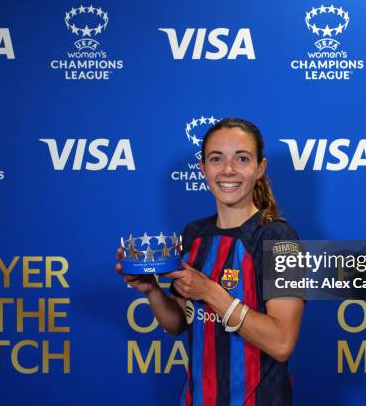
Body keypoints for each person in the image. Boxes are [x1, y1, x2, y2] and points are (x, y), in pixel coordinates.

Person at [116, 118, 304, 405]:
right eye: (217, 159)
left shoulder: (281, 239)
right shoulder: (194, 233)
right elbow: (179, 323)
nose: (228, 169)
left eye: (242, 158)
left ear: (260, 168)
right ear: (203, 168)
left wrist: (209, 292)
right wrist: (152, 290)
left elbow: (281, 343)